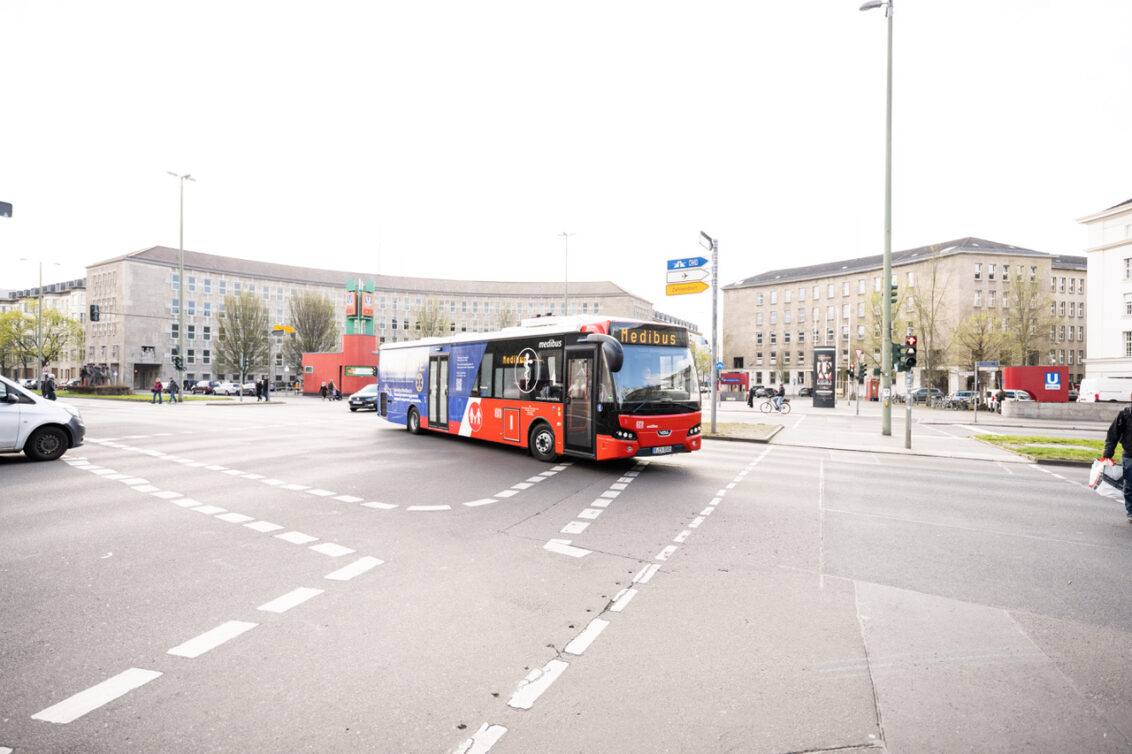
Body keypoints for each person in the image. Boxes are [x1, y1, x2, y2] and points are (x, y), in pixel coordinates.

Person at [1100, 395, 1132, 524]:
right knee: (1129, 486)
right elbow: (1113, 434)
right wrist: (1108, 454)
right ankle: (1131, 512)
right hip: (1130, 455)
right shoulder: (1125, 414)